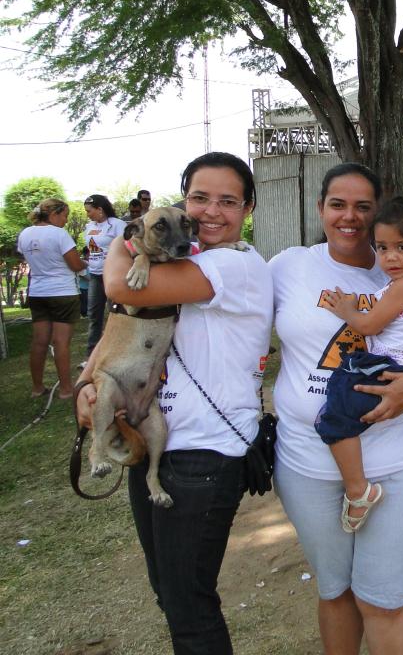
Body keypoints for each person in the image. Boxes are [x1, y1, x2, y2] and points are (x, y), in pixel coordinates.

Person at [269, 163, 403, 655]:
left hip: (401, 461)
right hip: (307, 464)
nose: (350, 217)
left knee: (384, 600)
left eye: (363, 206)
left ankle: (360, 487)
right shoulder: (287, 266)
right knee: (334, 590)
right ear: (320, 208)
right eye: (337, 204)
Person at [75, 152, 273, 654]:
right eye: (199, 198)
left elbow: (117, 286)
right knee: (168, 592)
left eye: (228, 201)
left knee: (189, 606)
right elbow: (122, 318)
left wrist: (126, 239)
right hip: (154, 441)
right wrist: (86, 386)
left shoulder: (236, 264)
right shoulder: (189, 258)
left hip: (204, 454)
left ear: (248, 208)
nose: (211, 211)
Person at [315, 195, 403, 533]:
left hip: (401, 369)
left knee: (335, 411)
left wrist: (346, 309)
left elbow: (368, 326)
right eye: (382, 247)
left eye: (402, 247)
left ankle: (358, 489)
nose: (390, 257)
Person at [16, 198, 86, 399]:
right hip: (62, 292)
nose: (66, 220)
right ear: (54, 214)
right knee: (61, 342)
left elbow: (29, 258)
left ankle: (37, 388)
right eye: (65, 215)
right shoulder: (59, 234)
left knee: (39, 341)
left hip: (38, 292)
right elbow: (75, 265)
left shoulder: (25, 233)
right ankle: (66, 389)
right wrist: (86, 263)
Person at [82, 194, 127, 358]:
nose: (87, 214)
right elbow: (90, 248)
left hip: (113, 275)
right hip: (94, 275)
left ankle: (118, 350)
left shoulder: (117, 225)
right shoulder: (89, 226)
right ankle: (92, 354)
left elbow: (128, 246)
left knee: (116, 313)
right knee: (94, 314)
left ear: (100, 209)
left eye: (89, 211)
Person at [77, 248, 91, 317]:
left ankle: (86, 313)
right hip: (82, 287)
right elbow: (83, 275)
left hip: (87, 287)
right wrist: (93, 280)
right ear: (85, 254)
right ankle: (83, 314)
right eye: (90, 254)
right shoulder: (83, 263)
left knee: (87, 301)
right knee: (84, 301)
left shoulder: (89, 263)